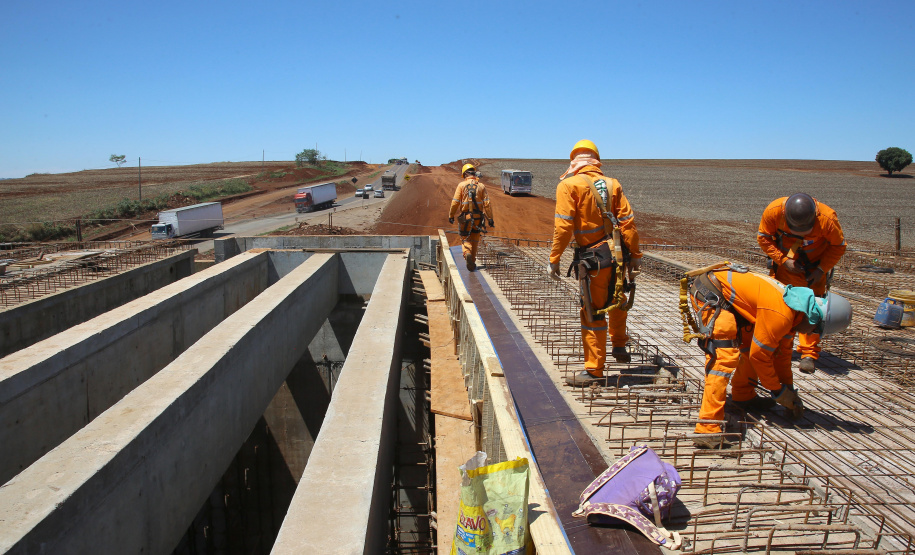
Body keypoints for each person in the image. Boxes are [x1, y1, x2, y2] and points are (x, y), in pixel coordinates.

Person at [686, 265, 852, 448]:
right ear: (813, 319)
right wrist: (778, 392)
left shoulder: (796, 309)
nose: (811, 333)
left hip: (729, 300)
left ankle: (744, 396)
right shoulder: (782, 315)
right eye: (815, 330)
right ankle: (707, 428)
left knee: (751, 347)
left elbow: (782, 355)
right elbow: (760, 358)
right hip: (711, 292)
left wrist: (789, 390)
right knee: (723, 360)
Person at [548, 140, 643, 386]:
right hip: (619, 255)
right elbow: (628, 225)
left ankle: (594, 371)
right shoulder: (613, 184)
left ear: (574, 161)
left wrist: (554, 259)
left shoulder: (569, 185)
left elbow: (564, 226)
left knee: (593, 312)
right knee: (619, 298)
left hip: (594, 259)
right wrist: (635, 256)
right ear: (596, 160)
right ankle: (620, 345)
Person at [757, 194, 847, 373]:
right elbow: (763, 238)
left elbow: (838, 246)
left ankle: (808, 354)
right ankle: (781, 349)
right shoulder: (774, 212)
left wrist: (821, 270)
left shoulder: (827, 219)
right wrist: (783, 260)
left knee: (813, 310)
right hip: (785, 269)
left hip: (813, 272)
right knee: (781, 308)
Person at [449, 163, 495, 271]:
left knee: (465, 238)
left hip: (466, 218)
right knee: (475, 239)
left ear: (465, 174)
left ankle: (467, 253)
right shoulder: (481, 186)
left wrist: (451, 215)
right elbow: (487, 204)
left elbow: (455, 202)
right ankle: (472, 262)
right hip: (478, 218)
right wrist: (490, 219)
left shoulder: (461, 185)